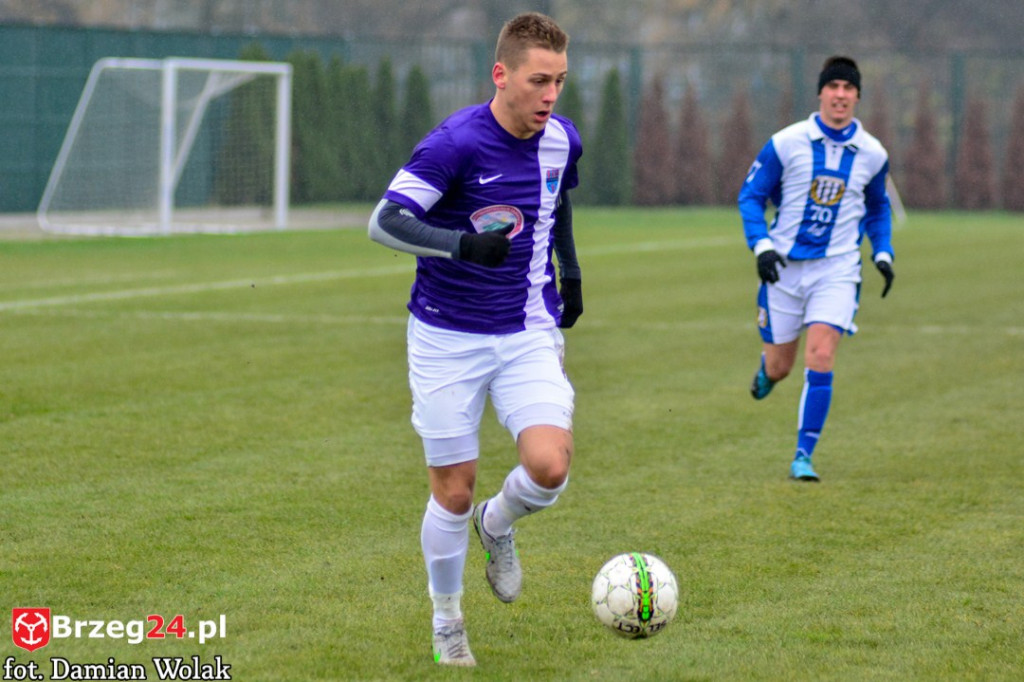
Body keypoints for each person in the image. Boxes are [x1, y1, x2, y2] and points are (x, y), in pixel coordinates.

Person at [367, 12, 583, 667]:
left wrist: (570, 273)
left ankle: (500, 522)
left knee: (550, 466)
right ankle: (447, 619)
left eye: (560, 82)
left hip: (526, 328)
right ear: (502, 75)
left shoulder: (561, 139)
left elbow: (558, 202)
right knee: (451, 491)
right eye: (538, 81)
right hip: (445, 337)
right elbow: (385, 222)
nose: (550, 95)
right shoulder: (455, 143)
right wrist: (460, 244)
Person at [738, 55, 895, 482]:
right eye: (834, 87)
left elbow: (879, 209)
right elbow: (750, 197)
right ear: (821, 93)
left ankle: (803, 455)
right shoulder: (787, 142)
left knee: (822, 354)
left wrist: (883, 251)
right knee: (780, 366)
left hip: (838, 269)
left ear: (858, 97)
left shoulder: (872, 153)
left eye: (849, 89)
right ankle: (768, 371)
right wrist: (763, 246)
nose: (841, 95)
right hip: (783, 270)